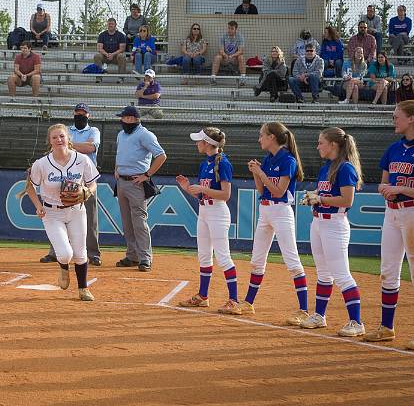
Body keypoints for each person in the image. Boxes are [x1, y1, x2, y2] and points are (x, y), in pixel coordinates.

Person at [240, 122, 310, 326]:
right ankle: (248, 303)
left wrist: (261, 173)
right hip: (266, 210)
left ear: (272, 137)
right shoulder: (268, 158)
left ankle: (304, 310)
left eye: (262, 135)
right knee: (256, 260)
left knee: (292, 261)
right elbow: (263, 191)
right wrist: (256, 172)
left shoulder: (287, 159)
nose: (259, 139)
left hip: (281, 211)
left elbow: (279, 191)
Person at [299, 127, 365, 337]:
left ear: (333, 145)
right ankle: (319, 316)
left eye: (321, 142)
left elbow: (347, 200)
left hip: (335, 224)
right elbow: (324, 191)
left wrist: (322, 199)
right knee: (323, 274)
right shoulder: (327, 166)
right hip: (318, 223)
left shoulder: (345, 168)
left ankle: (356, 322)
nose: (318, 146)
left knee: (342, 274)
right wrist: (314, 195)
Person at [23, 123, 100, 302]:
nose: (59, 140)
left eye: (62, 136)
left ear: (68, 138)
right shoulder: (41, 164)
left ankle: (83, 288)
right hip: (52, 212)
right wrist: (38, 205)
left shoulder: (81, 159)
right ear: (49, 141)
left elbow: (92, 183)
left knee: (81, 253)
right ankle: (64, 268)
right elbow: (30, 187)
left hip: (76, 211)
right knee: (65, 253)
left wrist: (87, 192)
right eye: (55, 137)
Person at [363, 100, 414, 349]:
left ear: (412, 119)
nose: (394, 120)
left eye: (397, 116)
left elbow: (399, 186)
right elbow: (383, 182)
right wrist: (387, 190)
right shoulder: (393, 149)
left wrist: (400, 188)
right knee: (388, 269)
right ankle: (387, 327)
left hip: (413, 213)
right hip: (392, 213)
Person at [176, 127, 241, 315]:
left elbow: (226, 195)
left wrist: (200, 189)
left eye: (199, 141)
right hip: (204, 210)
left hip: (218, 213)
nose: (197, 143)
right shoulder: (205, 164)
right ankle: (203, 296)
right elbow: (202, 194)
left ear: (207, 143)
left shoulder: (223, 163)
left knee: (223, 256)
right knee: (204, 255)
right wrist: (188, 187)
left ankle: (234, 299)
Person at [40, 103, 102, 266]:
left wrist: (66, 146)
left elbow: (90, 147)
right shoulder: (67, 130)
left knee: (89, 217)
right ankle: (55, 252)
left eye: (83, 113)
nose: (80, 115)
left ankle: (93, 254)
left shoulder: (93, 131)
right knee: (56, 213)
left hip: (83, 179)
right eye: (77, 112)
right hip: (62, 177)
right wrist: (64, 145)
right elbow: (58, 148)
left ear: (88, 115)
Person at [114, 106, 167, 272]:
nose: (123, 121)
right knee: (127, 223)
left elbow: (161, 155)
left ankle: (145, 258)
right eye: (122, 118)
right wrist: (116, 168)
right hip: (122, 181)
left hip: (136, 182)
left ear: (132, 119)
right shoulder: (121, 134)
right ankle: (132, 256)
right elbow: (119, 154)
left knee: (139, 222)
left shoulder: (145, 134)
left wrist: (147, 174)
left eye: (125, 118)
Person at [210, 21, 246, 86]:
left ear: (235, 29)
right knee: (217, 57)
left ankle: (243, 79)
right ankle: (213, 78)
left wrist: (232, 55)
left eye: (232, 28)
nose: (230, 30)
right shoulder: (223, 36)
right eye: (229, 28)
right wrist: (225, 55)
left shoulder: (240, 37)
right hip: (225, 58)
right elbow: (221, 50)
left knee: (241, 57)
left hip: (234, 58)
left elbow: (241, 51)